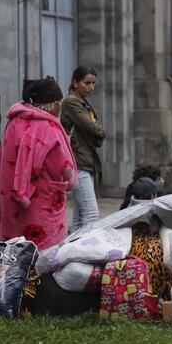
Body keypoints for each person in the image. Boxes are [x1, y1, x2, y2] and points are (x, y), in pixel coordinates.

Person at [0, 77, 77, 250]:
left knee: (14, 259)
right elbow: (66, 170)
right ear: (54, 104)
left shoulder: (13, 123)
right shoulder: (50, 129)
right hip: (42, 208)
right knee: (42, 260)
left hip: (12, 206)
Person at [61, 66, 105, 233]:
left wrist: (98, 131)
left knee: (80, 218)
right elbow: (93, 128)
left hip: (85, 161)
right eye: (87, 83)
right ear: (75, 82)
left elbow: (94, 128)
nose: (91, 87)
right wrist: (100, 132)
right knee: (91, 215)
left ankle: (70, 254)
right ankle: (86, 253)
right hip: (78, 162)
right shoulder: (71, 102)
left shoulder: (83, 103)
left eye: (93, 83)